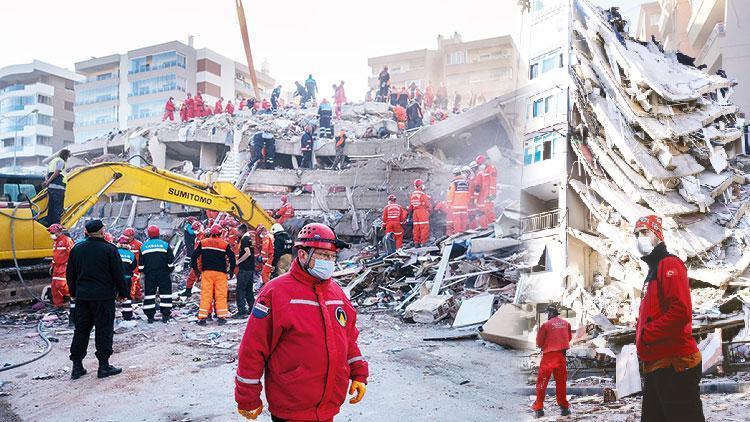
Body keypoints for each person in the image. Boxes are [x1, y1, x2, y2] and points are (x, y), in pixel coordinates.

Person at [234, 223, 368, 421]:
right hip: (291, 407)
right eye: (323, 256)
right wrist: (247, 396)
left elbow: (348, 339)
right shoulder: (276, 292)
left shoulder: (337, 294)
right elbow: (253, 347)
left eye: (332, 257)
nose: (329, 262)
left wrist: (358, 373)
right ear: (303, 255)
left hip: (328, 407)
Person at [634, 215, 704, 421]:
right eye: (637, 234)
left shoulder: (669, 264)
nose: (640, 238)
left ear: (657, 234)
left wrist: (647, 334)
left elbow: (680, 311)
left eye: (644, 232)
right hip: (656, 363)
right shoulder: (653, 270)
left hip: (676, 363)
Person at [67, 219, 128, 380]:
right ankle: (103, 366)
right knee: (104, 330)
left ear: (86, 232)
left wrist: (73, 292)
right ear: (102, 231)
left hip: (82, 297)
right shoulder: (109, 250)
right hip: (103, 297)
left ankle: (77, 366)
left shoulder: (77, 249)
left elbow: (70, 274)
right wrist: (123, 293)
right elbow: (118, 274)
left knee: (81, 330)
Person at [533, 304, 572, 418]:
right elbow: (568, 338)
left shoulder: (546, 325)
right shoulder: (566, 324)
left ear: (550, 313)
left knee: (542, 383)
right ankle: (564, 408)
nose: (546, 316)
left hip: (548, 357)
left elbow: (539, 342)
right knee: (561, 383)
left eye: (547, 314)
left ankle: (539, 409)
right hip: (561, 356)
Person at [192, 224, 236, 325]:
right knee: (220, 295)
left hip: (207, 273)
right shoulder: (224, 244)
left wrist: (196, 270)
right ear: (220, 233)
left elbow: (194, 256)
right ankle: (221, 317)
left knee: (206, 295)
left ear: (210, 233)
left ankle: (203, 318)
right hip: (220, 273)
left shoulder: (203, 243)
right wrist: (231, 270)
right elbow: (232, 257)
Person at [139, 225, 175, 324]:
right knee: (165, 294)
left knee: (149, 295)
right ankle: (165, 316)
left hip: (150, 275)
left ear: (148, 235)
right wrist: (170, 270)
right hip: (164, 274)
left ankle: (150, 317)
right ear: (158, 234)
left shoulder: (143, 247)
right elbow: (170, 261)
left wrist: (143, 273)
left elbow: (141, 266)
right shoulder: (165, 245)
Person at [47, 224, 74, 312]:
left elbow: (72, 254)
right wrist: (52, 266)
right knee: (54, 287)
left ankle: (73, 299)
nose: (51, 234)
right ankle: (58, 305)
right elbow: (55, 256)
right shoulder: (56, 242)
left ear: (59, 232)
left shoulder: (66, 240)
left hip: (64, 266)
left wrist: (72, 266)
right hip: (56, 267)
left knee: (61, 285)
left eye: (52, 232)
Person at [43, 148, 71, 226]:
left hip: (50, 188)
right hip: (58, 188)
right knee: (58, 208)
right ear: (65, 155)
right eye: (68, 156)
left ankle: (49, 224)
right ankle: (56, 226)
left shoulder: (53, 161)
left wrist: (47, 181)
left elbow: (46, 174)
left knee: (51, 207)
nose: (68, 158)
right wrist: (48, 181)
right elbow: (56, 173)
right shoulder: (61, 161)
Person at [235, 224, 255, 318]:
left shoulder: (245, 239)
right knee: (248, 290)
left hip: (245, 268)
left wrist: (238, 261)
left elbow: (247, 253)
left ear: (241, 231)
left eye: (237, 231)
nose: (236, 232)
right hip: (250, 268)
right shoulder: (249, 238)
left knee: (240, 289)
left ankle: (242, 311)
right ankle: (252, 309)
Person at [115, 236, 136, 321]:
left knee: (112, 296)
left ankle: (111, 315)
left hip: (115, 279)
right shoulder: (131, 254)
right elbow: (133, 266)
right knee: (126, 297)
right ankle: (127, 316)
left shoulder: (114, 252)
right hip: (127, 278)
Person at [183, 220, 205, 297]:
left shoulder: (201, 236)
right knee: (192, 276)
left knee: (198, 276)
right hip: (199, 259)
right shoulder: (199, 236)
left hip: (202, 260)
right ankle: (188, 290)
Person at [122, 227, 143, 301]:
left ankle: (131, 298)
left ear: (133, 236)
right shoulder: (122, 244)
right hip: (127, 267)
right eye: (126, 236)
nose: (128, 238)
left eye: (129, 236)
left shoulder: (139, 245)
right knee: (135, 283)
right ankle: (138, 296)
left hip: (136, 268)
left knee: (133, 282)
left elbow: (142, 256)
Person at [408, 179, 432, 248]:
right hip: (422, 211)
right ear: (421, 185)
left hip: (415, 212)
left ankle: (416, 243)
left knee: (416, 228)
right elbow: (427, 204)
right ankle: (423, 242)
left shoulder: (412, 194)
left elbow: (410, 206)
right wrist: (430, 211)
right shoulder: (422, 194)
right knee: (424, 227)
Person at [476, 155, 497, 227]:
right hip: (486, 194)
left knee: (489, 209)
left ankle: (493, 224)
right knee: (486, 209)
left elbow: (493, 182)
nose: (482, 165)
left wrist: (491, 193)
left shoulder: (491, 168)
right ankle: (490, 225)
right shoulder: (485, 169)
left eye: (481, 164)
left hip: (490, 193)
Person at [447, 167, 470, 233]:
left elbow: (450, 194)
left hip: (456, 205)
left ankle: (458, 233)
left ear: (454, 174)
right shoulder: (466, 182)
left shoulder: (453, 183)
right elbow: (468, 193)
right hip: (464, 205)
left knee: (457, 220)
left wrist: (449, 204)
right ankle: (463, 232)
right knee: (463, 219)